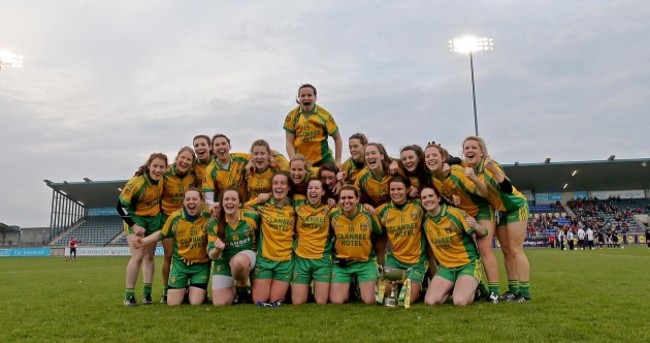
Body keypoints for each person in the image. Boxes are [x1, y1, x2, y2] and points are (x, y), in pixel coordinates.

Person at [425, 142, 499, 302]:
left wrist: (471, 177)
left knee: (484, 248)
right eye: (427, 156)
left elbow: (484, 192)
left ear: (443, 158)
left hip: (481, 208)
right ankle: (473, 286)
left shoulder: (457, 172)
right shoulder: (435, 179)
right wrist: (454, 202)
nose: (430, 158)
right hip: (464, 211)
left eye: (434, 155)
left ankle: (494, 291)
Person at [463, 136, 531, 302]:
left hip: (515, 207)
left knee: (515, 249)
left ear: (482, 152)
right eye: (467, 148)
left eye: (474, 148)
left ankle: (524, 293)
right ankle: (513, 290)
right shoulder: (471, 170)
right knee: (506, 251)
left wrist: (493, 169)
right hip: (501, 211)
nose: (470, 151)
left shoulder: (489, 166)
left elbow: (507, 188)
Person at [134, 188, 211, 306]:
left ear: (201, 201)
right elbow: (162, 234)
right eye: (188, 199)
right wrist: (143, 241)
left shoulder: (208, 216)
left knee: (195, 303)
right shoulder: (175, 217)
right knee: (172, 303)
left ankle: (196, 291)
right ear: (184, 202)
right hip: (180, 264)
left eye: (195, 199)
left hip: (200, 265)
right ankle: (185, 290)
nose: (191, 202)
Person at [420, 187, 488, 306]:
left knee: (460, 301)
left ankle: (476, 289)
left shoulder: (455, 213)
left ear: (439, 198)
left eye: (431, 196)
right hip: (446, 268)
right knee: (430, 301)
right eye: (424, 197)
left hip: (467, 264)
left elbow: (484, 232)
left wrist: (477, 226)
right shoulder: (425, 221)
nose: (427, 200)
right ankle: (454, 286)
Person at [117, 152, 168, 306]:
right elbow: (120, 206)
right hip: (135, 218)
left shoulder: (162, 179)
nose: (158, 170)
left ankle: (147, 294)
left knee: (149, 256)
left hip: (154, 219)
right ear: (148, 166)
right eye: (155, 166)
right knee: (137, 256)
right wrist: (134, 225)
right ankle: (129, 295)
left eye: (161, 167)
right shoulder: (136, 182)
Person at [329, 185, 382, 305]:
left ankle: (360, 287)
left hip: (365, 263)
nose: (346, 201)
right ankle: (350, 286)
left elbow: (379, 232)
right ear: (339, 200)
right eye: (343, 198)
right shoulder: (333, 215)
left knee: (370, 301)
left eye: (350, 197)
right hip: (342, 264)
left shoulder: (368, 215)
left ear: (357, 199)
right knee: (337, 301)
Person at [376, 176, 427, 303]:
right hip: (395, 261)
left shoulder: (419, 205)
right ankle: (398, 283)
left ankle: (418, 285)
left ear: (408, 190)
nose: (395, 192)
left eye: (399, 189)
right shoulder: (383, 210)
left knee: (406, 300)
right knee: (384, 295)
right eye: (392, 189)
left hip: (416, 262)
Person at [160, 147, 200, 303]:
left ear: (192, 163)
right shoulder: (165, 172)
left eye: (189, 160)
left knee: (189, 254)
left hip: (187, 218)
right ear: (177, 158)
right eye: (183, 158)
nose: (185, 161)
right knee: (169, 256)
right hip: (168, 218)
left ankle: (190, 287)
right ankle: (165, 289)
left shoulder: (192, 175)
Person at [208, 188, 260, 306]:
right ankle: (234, 291)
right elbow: (212, 255)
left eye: (233, 199)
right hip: (224, 262)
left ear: (240, 203)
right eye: (226, 199)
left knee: (238, 262)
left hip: (246, 258)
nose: (229, 202)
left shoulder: (252, 216)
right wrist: (217, 250)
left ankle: (242, 288)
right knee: (219, 303)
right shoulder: (214, 222)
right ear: (221, 203)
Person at [250, 171, 296, 306]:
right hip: (264, 260)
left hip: (285, 261)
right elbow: (241, 207)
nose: (279, 187)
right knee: (259, 301)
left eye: (283, 183)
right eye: (275, 184)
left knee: (275, 301)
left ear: (289, 187)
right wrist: (260, 198)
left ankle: (286, 289)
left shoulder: (295, 207)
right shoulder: (262, 206)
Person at [292, 178, 333, 305]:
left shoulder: (330, 209)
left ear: (323, 192)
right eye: (310, 188)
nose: (313, 191)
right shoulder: (298, 206)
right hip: (301, 258)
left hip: (321, 259)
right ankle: (305, 290)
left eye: (316, 188)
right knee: (297, 302)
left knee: (321, 302)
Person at [284, 83, 343, 168]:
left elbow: (337, 138)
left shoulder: (324, 115)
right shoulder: (292, 116)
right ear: (299, 98)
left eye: (309, 95)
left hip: (324, 160)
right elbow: (289, 142)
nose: (306, 98)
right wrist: (294, 161)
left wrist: (338, 161)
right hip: (302, 162)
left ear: (315, 97)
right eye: (303, 96)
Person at [203, 133, 251, 206]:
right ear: (213, 149)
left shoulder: (241, 158)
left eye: (223, 143)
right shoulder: (210, 169)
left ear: (230, 147)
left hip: (244, 204)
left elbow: (259, 156)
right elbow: (208, 199)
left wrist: (251, 164)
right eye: (217, 145)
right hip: (225, 206)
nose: (221, 147)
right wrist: (219, 206)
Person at [244, 139, 289, 204]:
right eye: (256, 154)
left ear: (268, 155)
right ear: (252, 156)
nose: (259, 157)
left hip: (272, 206)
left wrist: (269, 194)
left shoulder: (275, 170)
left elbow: (285, 188)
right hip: (253, 207)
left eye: (262, 153)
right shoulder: (248, 170)